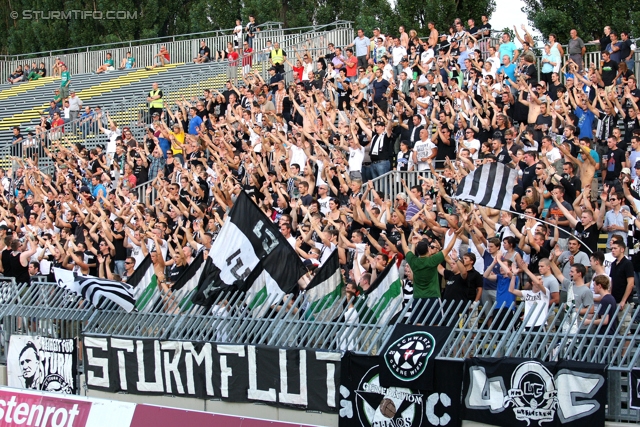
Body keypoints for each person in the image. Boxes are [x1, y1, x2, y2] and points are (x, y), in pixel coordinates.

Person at [399, 226, 461, 325]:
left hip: (417, 297)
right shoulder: (433, 260)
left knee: (418, 324)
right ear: (428, 249)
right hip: (432, 296)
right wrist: (456, 235)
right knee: (435, 324)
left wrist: (402, 234)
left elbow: (405, 248)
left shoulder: (413, 261)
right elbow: (448, 248)